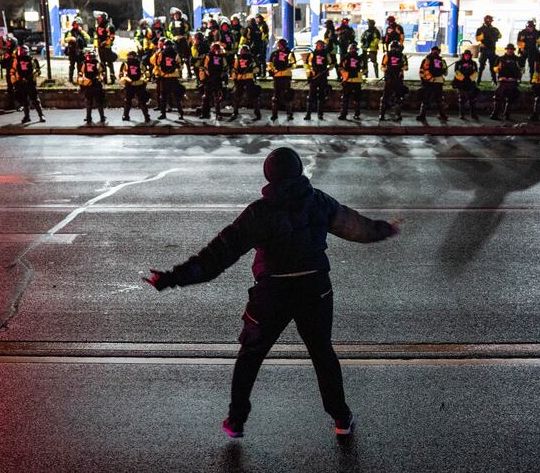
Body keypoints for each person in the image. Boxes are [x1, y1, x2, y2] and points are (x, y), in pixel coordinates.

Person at [144, 146, 400, 439]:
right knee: (322, 353)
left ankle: (236, 421)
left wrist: (171, 279)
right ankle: (341, 418)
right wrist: (386, 229)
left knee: (251, 354)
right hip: (315, 288)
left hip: (272, 291)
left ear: (268, 175)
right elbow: (358, 228)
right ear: (299, 170)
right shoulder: (318, 202)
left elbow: (217, 256)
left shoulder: (258, 213)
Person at [10, 44, 45, 124]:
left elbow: (38, 71)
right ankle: (27, 116)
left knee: (35, 100)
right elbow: (12, 72)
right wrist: (15, 82)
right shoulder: (16, 61)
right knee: (24, 101)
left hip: (30, 83)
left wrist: (33, 75)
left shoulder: (32, 60)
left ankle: (41, 115)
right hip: (21, 83)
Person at [152, 40, 185, 121]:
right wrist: (178, 66)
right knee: (176, 97)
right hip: (172, 79)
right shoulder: (176, 54)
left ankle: (163, 114)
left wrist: (157, 74)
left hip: (165, 79)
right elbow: (181, 67)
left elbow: (157, 64)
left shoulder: (161, 54)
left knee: (164, 97)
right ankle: (180, 114)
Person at [489, 43, 523, 121]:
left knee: (511, 97)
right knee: (498, 95)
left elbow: (521, 70)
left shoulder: (517, 59)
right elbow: (494, 69)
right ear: (506, 50)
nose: (510, 50)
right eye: (509, 49)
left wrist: (516, 79)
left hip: (513, 81)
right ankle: (495, 113)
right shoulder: (500, 58)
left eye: (511, 49)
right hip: (502, 81)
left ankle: (507, 114)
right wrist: (499, 71)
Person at [267, 38, 296, 122]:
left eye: (279, 44)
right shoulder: (274, 54)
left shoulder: (289, 53)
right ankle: (274, 114)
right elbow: (270, 64)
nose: (278, 46)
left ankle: (289, 114)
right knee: (276, 96)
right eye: (278, 44)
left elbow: (294, 64)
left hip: (286, 76)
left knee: (287, 95)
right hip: (277, 77)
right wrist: (270, 71)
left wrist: (289, 65)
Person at [379, 40, 408, 122]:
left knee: (398, 97)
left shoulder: (402, 56)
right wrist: (388, 70)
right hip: (389, 79)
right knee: (386, 97)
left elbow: (406, 67)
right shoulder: (387, 55)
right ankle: (382, 114)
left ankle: (397, 114)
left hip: (398, 79)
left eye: (395, 47)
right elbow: (382, 66)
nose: (394, 49)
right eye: (393, 47)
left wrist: (399, 67)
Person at [417, 46, 448, 123]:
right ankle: (442, 115)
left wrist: (423, 80)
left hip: (428, 82)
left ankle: (422, 115)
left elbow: (421, 71)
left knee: (426, 99)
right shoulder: (442, 61)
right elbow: (446, 73)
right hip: (438, 82)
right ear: (439, 52)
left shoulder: (426, 60)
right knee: (439, 100)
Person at [231, 45, 262, 121]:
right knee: (237, 97)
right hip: (240, 80)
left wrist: (251, 70)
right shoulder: (238, 59)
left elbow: (257, 69)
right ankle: (235, 112)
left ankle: (257, 113)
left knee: (253, 97)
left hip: (249, 79)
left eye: (242, 50)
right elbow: (234, 70)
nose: (241, 52)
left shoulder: (251, 59)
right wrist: (235, 79)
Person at [304, 39, 333, 121]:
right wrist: (309, 74)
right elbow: (307, 65)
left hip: (323, 77)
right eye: (318, 44)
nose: (319, 46)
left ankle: (320, 114)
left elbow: (331, 63)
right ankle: (308, 114)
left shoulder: (326, 54)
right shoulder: (312, 54)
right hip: (314, 77)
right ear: (316, 45)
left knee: (321, 96)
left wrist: (328, 69)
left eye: (321, 45)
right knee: (310, 96)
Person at [119, 50, 150, 122]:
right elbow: (147, 73)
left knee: (128, 100)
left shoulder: (125, 64)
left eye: (129, 56)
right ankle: (146, 116)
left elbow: (121, 74)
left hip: (130, 84)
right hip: (139, 84)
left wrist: (124, 81)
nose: (128, 57)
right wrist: (145, 81)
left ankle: (125, 116)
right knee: (141, 101)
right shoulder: (140, 63)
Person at [199, 43, 226, 120]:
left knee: (217, 98)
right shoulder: (208, 57)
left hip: (217, 81)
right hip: (209, 80)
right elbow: (203, 68)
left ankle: (218, 114)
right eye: (216, 49)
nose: (218, 51)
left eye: (218, 49)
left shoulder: (221, 58)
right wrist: (203, 79)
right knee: (206, 98)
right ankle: (205, 114)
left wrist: (222, 77)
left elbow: (225, 68)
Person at [78, 50, 106, 124]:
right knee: (93, 102)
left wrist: (82, 84)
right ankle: (92, 117)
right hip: (92, 85)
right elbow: (102, 74)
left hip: (93, 85)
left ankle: (96, 117)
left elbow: (102, 74)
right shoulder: (96, 64)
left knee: (93, 102)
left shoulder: (86, 63)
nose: (89, 58)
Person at [338, 41, 363, 121]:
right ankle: (343, 114)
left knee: (357, 99)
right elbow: (340, 68)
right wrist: (345, 76)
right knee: (345, 98)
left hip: (356, 80)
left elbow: (364, 69)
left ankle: (356, 114)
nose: (353, 50)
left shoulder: (359, 58)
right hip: (348, 80)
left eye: (354, 49)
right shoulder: (345, 58)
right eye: (352, 49)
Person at [451, 49, 479, 121]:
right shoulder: (458, 63)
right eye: (466, 55)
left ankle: (473, 114)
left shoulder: (473, 63)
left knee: (472, 100)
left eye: (468, 55)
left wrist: (470, 79)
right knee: (462, 100)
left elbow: (476, 72)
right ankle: (462, 115)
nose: (467, 56)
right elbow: (456, 71)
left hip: (470, 83)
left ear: (470, 56)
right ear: (463, 55)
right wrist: (462, 78)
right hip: (461, 83)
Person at [475, 15, 501, 85]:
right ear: (485, 20)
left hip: (492, 49)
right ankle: (478, 80)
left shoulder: (495, 29)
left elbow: (499, 36)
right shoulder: (480, 29)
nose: (489, 22)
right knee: (481, 67)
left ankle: (494, 80)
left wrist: (495, 37)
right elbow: (477, 38)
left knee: (493, 66)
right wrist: (481, 37)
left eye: (490, 20)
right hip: (484, 50)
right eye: (488, 20)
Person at [167, 7, 193, 79]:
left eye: (177, 15)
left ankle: (189, 74)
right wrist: (172, 37)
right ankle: (179, 74)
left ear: (179, 15)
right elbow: (168, 32)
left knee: (186, 58)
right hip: (175, 43)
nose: (176, 16)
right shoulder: (171, 23)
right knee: (178, 59)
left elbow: (187, 31)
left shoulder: (184, 22)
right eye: (174, 15)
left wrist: (183, 36)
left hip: (183, 42)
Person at [93, 11, 117, 84]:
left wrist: (105, 43)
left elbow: (112, 37)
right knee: (102, 63)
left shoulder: (109, 26)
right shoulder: (99, 26)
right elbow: (97, 37)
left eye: (99, 18)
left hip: (107, 47)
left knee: (109, 63)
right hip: (100, 47)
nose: (97, 19)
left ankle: (112, 79)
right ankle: (104, 79)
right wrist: (96, 46)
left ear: (103, 18)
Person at [64, 17, 89, 83]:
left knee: (80, 67)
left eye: (78, 24)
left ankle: (79, 79)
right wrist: (71, 38)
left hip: (80, 52)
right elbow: (65, 40)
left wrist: (82, 32)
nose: (77, 25)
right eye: (76, 24)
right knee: (72, 66)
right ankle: (70, 79)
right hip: (72, 52)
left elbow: (88, 38)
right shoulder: (70, 32)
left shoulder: (81, 32)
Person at [0, 36, 18, 110]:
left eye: (9, 42)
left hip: (15, 73)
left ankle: (20, 104)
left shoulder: (16, 52)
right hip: (9, 73)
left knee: (17, 88)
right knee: (10, 89)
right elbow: (5, 63)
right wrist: (2, 62)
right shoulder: (8, 52)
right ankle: (11, 104)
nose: (7, 44)